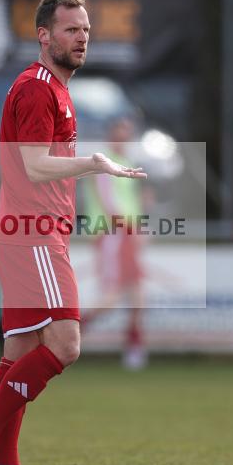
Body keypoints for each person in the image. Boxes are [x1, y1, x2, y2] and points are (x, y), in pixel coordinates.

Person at [0, 0, 146, 465]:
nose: (81, 38)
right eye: (70, 29)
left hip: (30, 234)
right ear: (44, 35)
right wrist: (95, 162)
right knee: (65, 345)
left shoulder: (54, 89)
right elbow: (35, 166)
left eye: (84, 29)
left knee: (19, 353)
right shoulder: (38, 89)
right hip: (31, 235)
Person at [81, 117, 150, 370]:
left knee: (138, 294)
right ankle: (71, 331)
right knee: (111, 295)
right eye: (120, 131)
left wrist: (139, 227)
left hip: (126, 233)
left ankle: (134, 346)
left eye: (128, 132)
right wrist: (129, 226)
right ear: (110, 134)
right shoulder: (103, 162)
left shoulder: (129, 163)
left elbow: (133, 202)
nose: (124, 137)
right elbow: (109, 202)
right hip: (112, 232)